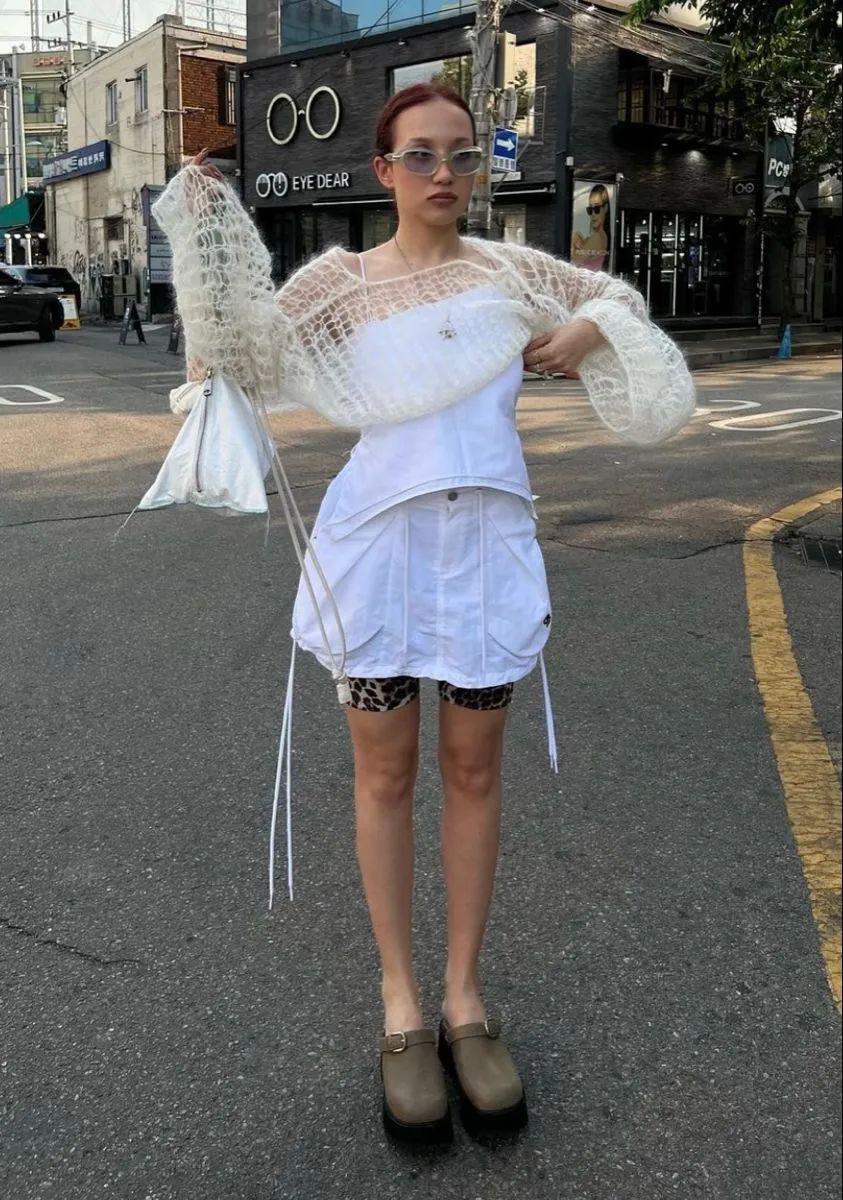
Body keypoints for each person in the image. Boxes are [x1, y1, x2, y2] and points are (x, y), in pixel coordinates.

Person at [147, 83, 695, 1145]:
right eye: (421, 155)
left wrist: (586, 327)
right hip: (377, 560)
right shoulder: (339, 284)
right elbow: (238, 356)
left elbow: (617, 300)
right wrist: (209, 243)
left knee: (476, 773)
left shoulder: (509, 272)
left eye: (461, 155)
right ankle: (401, 1004)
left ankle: (464, 998)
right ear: (383, 170)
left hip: (485, 554)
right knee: (386, 776)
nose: (445, 173)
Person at [571, 183, 612, 272]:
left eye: (596, 209)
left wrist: (573, 239)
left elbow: (571, 262)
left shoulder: (596, 238)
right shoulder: (602, 237)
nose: (593, 214)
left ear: (605, 208)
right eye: (590, 209)